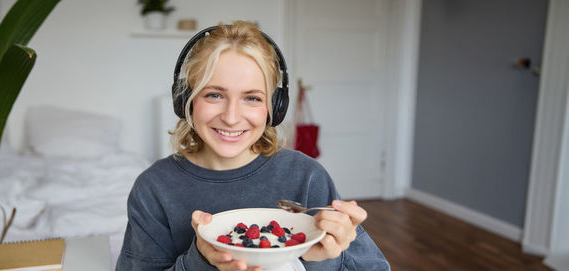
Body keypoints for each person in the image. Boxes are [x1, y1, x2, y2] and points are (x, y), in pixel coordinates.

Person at [116, 21, 390, 271]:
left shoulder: (307, 177)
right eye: (214, 94)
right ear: (185, 101)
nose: (232, 117)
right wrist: (200, 260)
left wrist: (323, 258)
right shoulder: (154, 188)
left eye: (252, 98)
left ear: (275, 107)